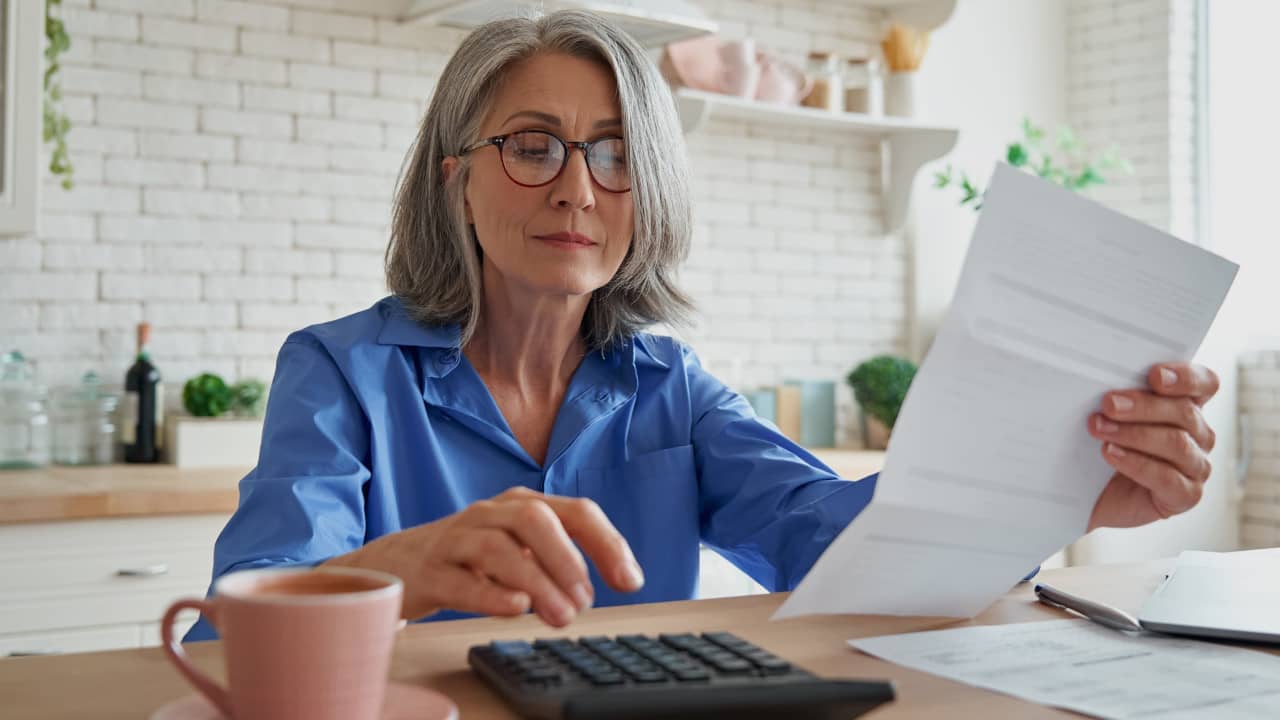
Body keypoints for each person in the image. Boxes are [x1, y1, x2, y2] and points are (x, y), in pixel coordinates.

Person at [184, 10, 1220, 641]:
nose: (579, 189)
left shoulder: (668, 387)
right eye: (534, 146)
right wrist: (405, 567)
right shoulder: (340, 372)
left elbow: (836, 545)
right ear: (457, 181)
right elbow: (240, 616)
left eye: (616, 152)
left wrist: (1059, 488)